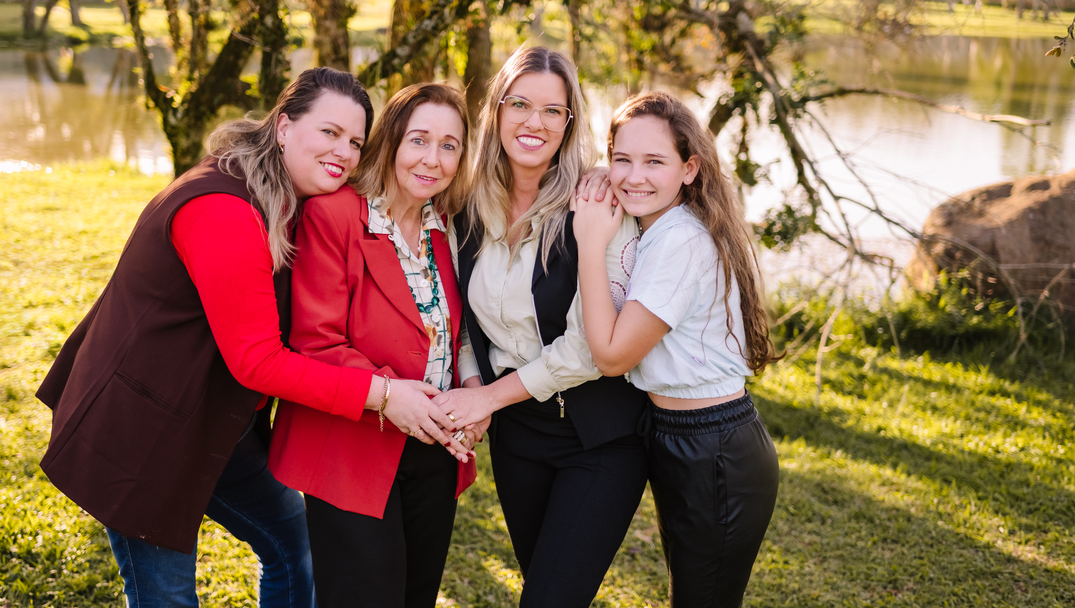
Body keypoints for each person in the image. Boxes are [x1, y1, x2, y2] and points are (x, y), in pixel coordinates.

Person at [35, 67, 461, 608]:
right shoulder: (223, 210)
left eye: (356, 141)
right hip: (147, 433)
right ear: (283, 127)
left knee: (294, 547)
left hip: (220, 424)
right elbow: (258, 362)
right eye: (329, 132)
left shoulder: (292, 199)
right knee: (167, 596)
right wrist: (383, 395)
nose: (346, 153)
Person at [430, 46, 648, 608]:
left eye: (554, 110)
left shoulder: (598, 205)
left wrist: (487, 401)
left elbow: (589, 348)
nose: (535, 122)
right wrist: (475, 388)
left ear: (571, 122)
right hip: (519, 438)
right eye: (520, 104)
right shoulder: (465, 208)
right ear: (496, 112)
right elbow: (456, 319)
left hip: (599, 438)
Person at [269, 83, 478, 608]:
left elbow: (460, 333)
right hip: (352, 446)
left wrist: (474, 394)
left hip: (434, 446)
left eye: (449, 145)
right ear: (390, 143)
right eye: (419, 140)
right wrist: (393, 393)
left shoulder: (447, 228)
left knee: (416, 595)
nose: (433, 159)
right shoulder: (334, 216)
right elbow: (315, 342)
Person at [571, 90, 781, 608]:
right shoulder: (661, 225)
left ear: (689, 169)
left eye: (654, 162)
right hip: (677, 436)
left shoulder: (680, 241)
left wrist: (589, 243)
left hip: (714, 448)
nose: (634, 176)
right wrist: (604, 174)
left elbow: (613, 356)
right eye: (622, 159)